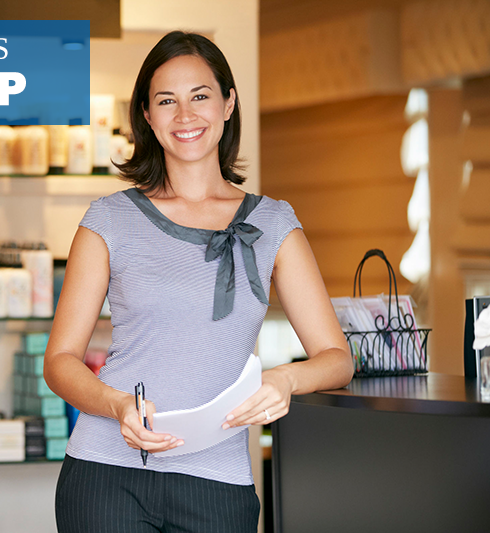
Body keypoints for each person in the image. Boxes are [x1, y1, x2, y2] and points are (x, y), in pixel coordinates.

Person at [43, 31, 353, 533]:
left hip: (218, 481)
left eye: (200, 96)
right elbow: (58, 361)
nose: (184, 116)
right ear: (147, 115)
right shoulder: (108, 219)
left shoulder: (273, 223)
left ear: (228, 103)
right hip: (105, 473)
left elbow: (337, 358)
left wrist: (284, 379)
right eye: (166, 101)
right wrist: (116, 404)